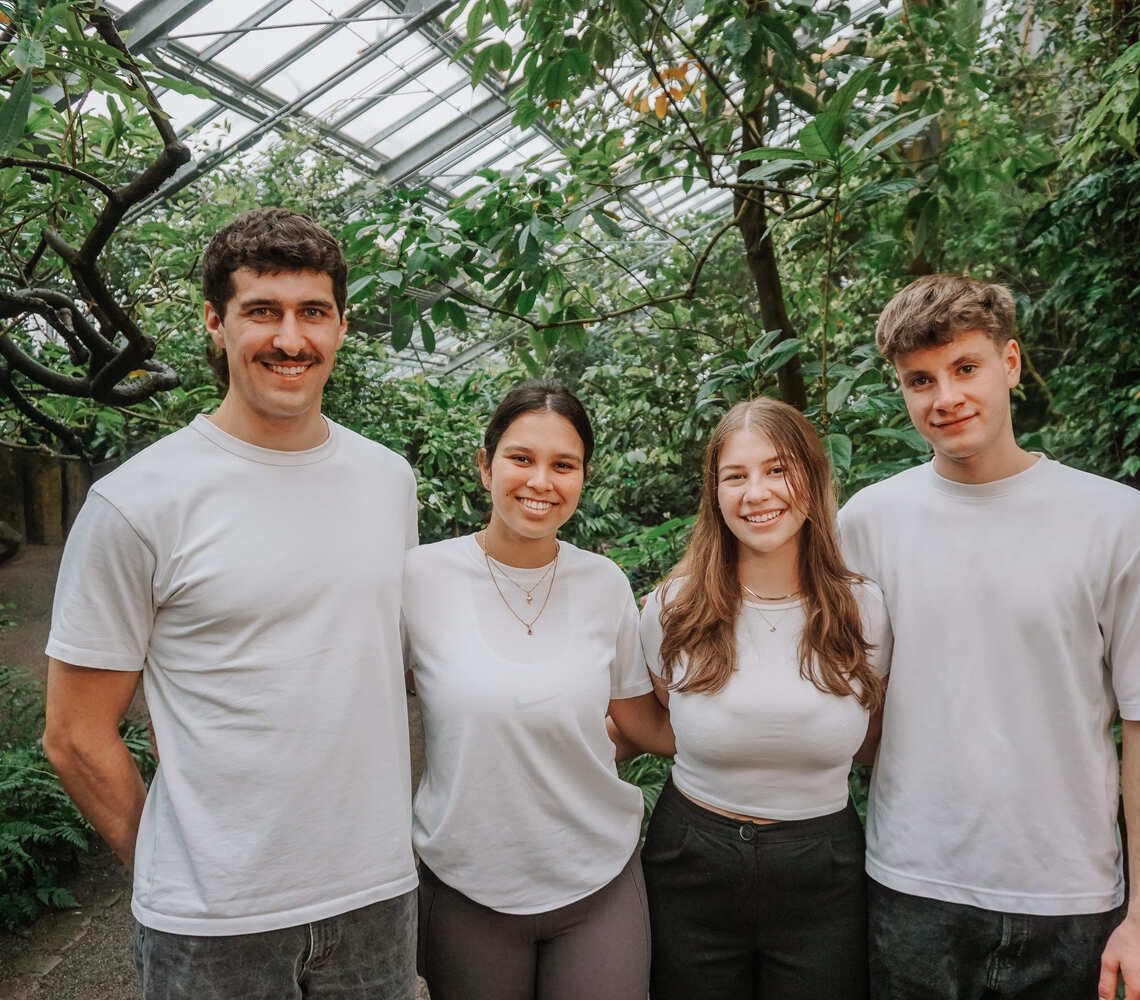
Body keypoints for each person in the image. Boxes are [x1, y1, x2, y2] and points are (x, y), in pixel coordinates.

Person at [41, 208, 420, 1000]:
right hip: (211, 927)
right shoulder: (138, 502)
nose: (291, 338)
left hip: (376, 896)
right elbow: (75, 735)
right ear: (216, 324)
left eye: (313, 312)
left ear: (342, 327)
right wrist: (172, 866)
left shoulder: (389, 480)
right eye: (262, 312)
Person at [838, 274, 1140, 1000]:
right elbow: (856, 706)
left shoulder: (1117, 521)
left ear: (1012, 364)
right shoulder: (869, 522)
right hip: (910, 886)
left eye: (965, 368)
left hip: (1070, 898)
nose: (945, 398)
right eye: (920, 380)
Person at [403, 379, 673, 1000]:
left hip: (597, 875)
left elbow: (637, 724)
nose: (540, 481)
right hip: (467, 881)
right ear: (485, 464)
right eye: (521, 458)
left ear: (583, 476)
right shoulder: (419, 578)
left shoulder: (603, 582)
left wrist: (756, 733)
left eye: (564, 465)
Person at [638, 397, 891, 1000]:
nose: (758, 492)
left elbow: (871, 740)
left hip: (822, 869)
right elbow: (658, 716)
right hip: (690, 858)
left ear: (813, 476)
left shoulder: (865, 609)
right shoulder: (671, 607)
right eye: (736, 475)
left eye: (778, 469)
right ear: (714, 494)